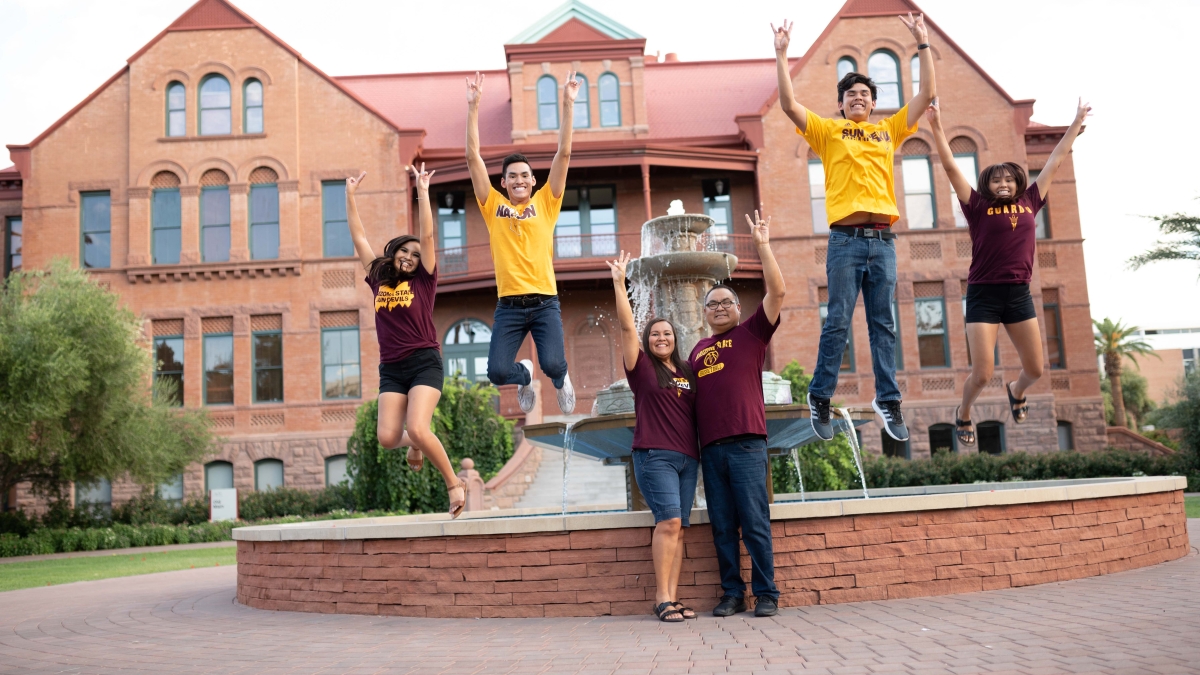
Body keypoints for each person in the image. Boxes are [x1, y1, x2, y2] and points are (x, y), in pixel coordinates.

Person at [773, 14, 936, 444]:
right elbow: (789, 106)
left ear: (873, 102)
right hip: (845, 242)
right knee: (838, 322)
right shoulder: (828, 133)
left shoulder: (888, 131)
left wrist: (922, 43)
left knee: (884, 325)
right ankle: (821, 397)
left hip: (884, 243)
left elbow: (928, 94)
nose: (859, 98)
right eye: (851, 94)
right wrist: (782, 53)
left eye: (865, 93)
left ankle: (889, 400)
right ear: (841, 103)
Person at [926, 98, 1090, 445]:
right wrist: (937, 125)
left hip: (1018, 294)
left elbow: (1055, 160)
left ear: (1017, 182)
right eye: (996, 180)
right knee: (982, 373)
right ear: (988, 185)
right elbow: (950, 166)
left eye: (1008, 180)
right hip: (984, 294)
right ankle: (964, 412)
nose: (1003, 184)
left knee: (1035, 369)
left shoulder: (1031, 200)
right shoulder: (977, 206)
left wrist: (1075, 123)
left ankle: (1016, 390)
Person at [346, 165, 465, 518]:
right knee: (386, 438)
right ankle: (415, 444)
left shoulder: (424, 282)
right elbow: (359, 238)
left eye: (415, 256)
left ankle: (453, 484)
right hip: (392, 369)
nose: (411, 257)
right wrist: (350, 196)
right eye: (405, 252)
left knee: (417, 425)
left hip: (424, 361)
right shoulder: (378, 278)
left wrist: (423, 191)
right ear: (395, 252)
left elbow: (427, 237)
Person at [465, 71, 579, 415]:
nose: (518, 180)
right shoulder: (492, 206)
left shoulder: (547, 201)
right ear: (503, 182)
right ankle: (524, 375)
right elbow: (472, 158)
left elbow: (564, 153)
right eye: (511, 176)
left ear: (533, 181)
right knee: (497, 372)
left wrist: (567, 104)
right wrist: (473, 107)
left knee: (555, 364)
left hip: (545, 302)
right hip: (509, 306)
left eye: (524, 175)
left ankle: (560, 380)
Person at [689, 210, 785, 618]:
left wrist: (762, 245)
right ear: (704, 312)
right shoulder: (696, 351)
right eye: (712, 304)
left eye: (727, 302)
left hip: (747, 444)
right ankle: (732, 593)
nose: (720, 308)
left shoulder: (752, 333)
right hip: (711, 450)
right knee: (723, 528)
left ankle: (767, 594)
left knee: (755, 523)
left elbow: (778, 293)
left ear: (738, 307)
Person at [606, 251, 700, 623]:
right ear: (649, 340)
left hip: (687, 459)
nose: (662, 337)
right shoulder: (641, 368)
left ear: (676, 339)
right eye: (656, 334)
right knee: (669, 522)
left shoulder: (687, 371)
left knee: (681, 530)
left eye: (668, 333)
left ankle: (673, 598)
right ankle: (662, 598)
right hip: (654, 455)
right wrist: (620, 283)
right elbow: (628, 328)